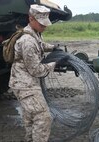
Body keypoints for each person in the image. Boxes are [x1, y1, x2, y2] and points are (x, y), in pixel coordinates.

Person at [9, 4, 68, 142]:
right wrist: (55, 64)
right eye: (41, 24)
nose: (44, 27)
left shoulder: (33, 33)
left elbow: (40, 44)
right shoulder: (27, 41)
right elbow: (36, 70)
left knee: (30, 116)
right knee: (43, 117)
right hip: (25, 84)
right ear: (31, 19)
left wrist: (53, 48)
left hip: (22, 81)